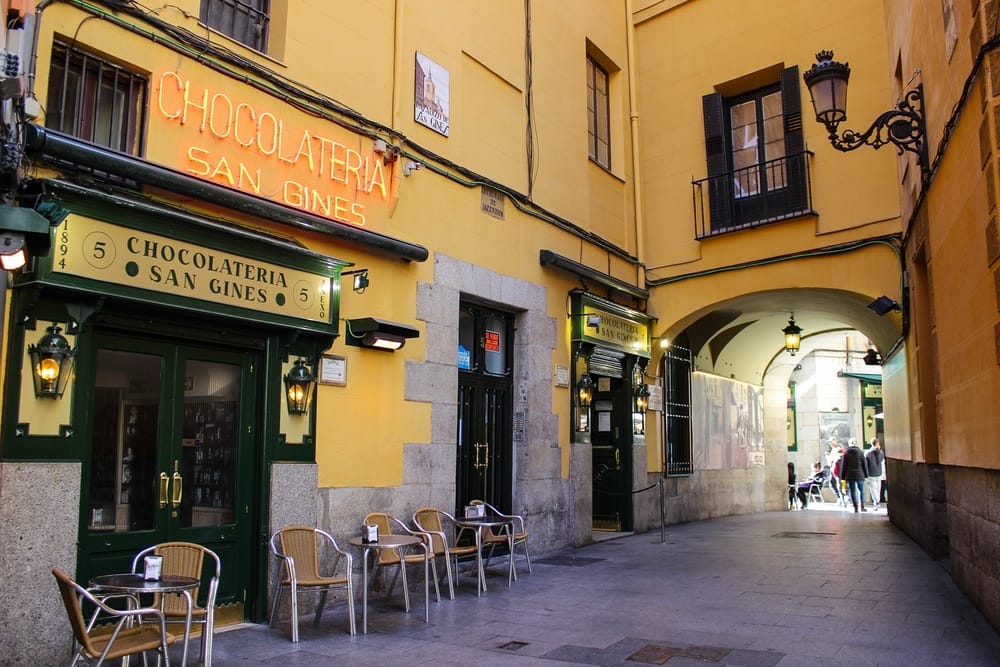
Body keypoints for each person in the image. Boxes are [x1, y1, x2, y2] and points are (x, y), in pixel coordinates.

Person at [841, 438, 869, 512]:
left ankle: (856, 508)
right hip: (860, 474)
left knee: (853, 491)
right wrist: (866, 474)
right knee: (861, 490)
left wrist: (843, 477)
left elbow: (844, 466)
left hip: (850, 475)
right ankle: (862, 507)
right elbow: (864, 464)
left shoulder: (846, 453)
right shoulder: (860, 452)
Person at [865, 437, 886, 509]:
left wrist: (866, 473)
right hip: (879, 472)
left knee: (873, 488)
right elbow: (882, 461)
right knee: (878, 488)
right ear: (878, 444)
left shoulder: (867, 453)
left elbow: (866, 464)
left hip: (871, 473)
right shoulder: (881, 452)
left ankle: (876, 502)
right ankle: (878, 501)